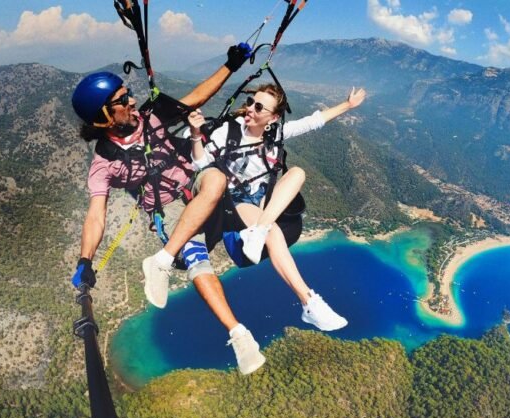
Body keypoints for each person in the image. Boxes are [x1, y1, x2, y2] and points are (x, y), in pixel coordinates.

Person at [70, 44, 265, 375]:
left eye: (128, 93)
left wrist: (230, 66)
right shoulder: (104, 164)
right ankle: (239, 334)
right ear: (104, 118)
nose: (131, 100)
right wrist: (85, 259)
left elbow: (197, 97)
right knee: (197, 261)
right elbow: (96, 214)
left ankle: (160, 262)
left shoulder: (152, 116)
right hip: (169, 208)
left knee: (216, 180)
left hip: (196, 182)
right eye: (122, 100)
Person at [145, 83, 366, 331]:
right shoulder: (228, 132)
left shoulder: (276, 134)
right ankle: (309, 301)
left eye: (259, 107)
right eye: (251, 102)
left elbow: (314, 121)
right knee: (272, 233)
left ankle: (259, 230)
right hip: (235, 202)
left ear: (272, 117)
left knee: (297, 173)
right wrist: (196, 134)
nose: (250, 109)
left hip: (262, 201)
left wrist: (348, 105)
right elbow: (200, 163)